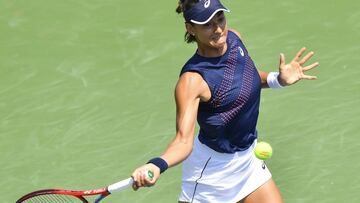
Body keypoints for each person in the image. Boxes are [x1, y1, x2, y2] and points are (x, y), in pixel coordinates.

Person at [131, 0, 319, 202]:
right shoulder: (192, 80)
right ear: (190, 29)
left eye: (220, 19)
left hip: (248, 161)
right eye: (207, 24)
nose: (218, 29)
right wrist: (156, 164)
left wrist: (277, 79)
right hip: (212, 174)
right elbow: (183, 142)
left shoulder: (235, 39)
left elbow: (247, 78)